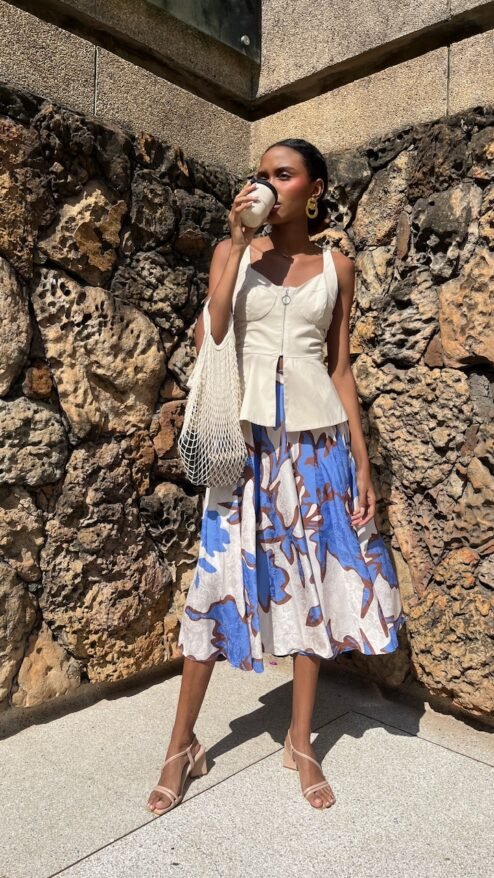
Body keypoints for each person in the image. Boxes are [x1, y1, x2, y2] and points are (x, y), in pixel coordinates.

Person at [146, 138, 407, 815]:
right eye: (260, 175)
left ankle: (300, 739)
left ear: (312, 189)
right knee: (214, 581)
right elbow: (210, 336)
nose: (265, 185)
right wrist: (237, 243)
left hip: (316, 446)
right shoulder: (233, 252)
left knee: (313, 580)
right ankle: (181, 744)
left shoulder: (337, 267)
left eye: (281, 175)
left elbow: (340, 368)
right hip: (246, 442)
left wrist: (361, 463)